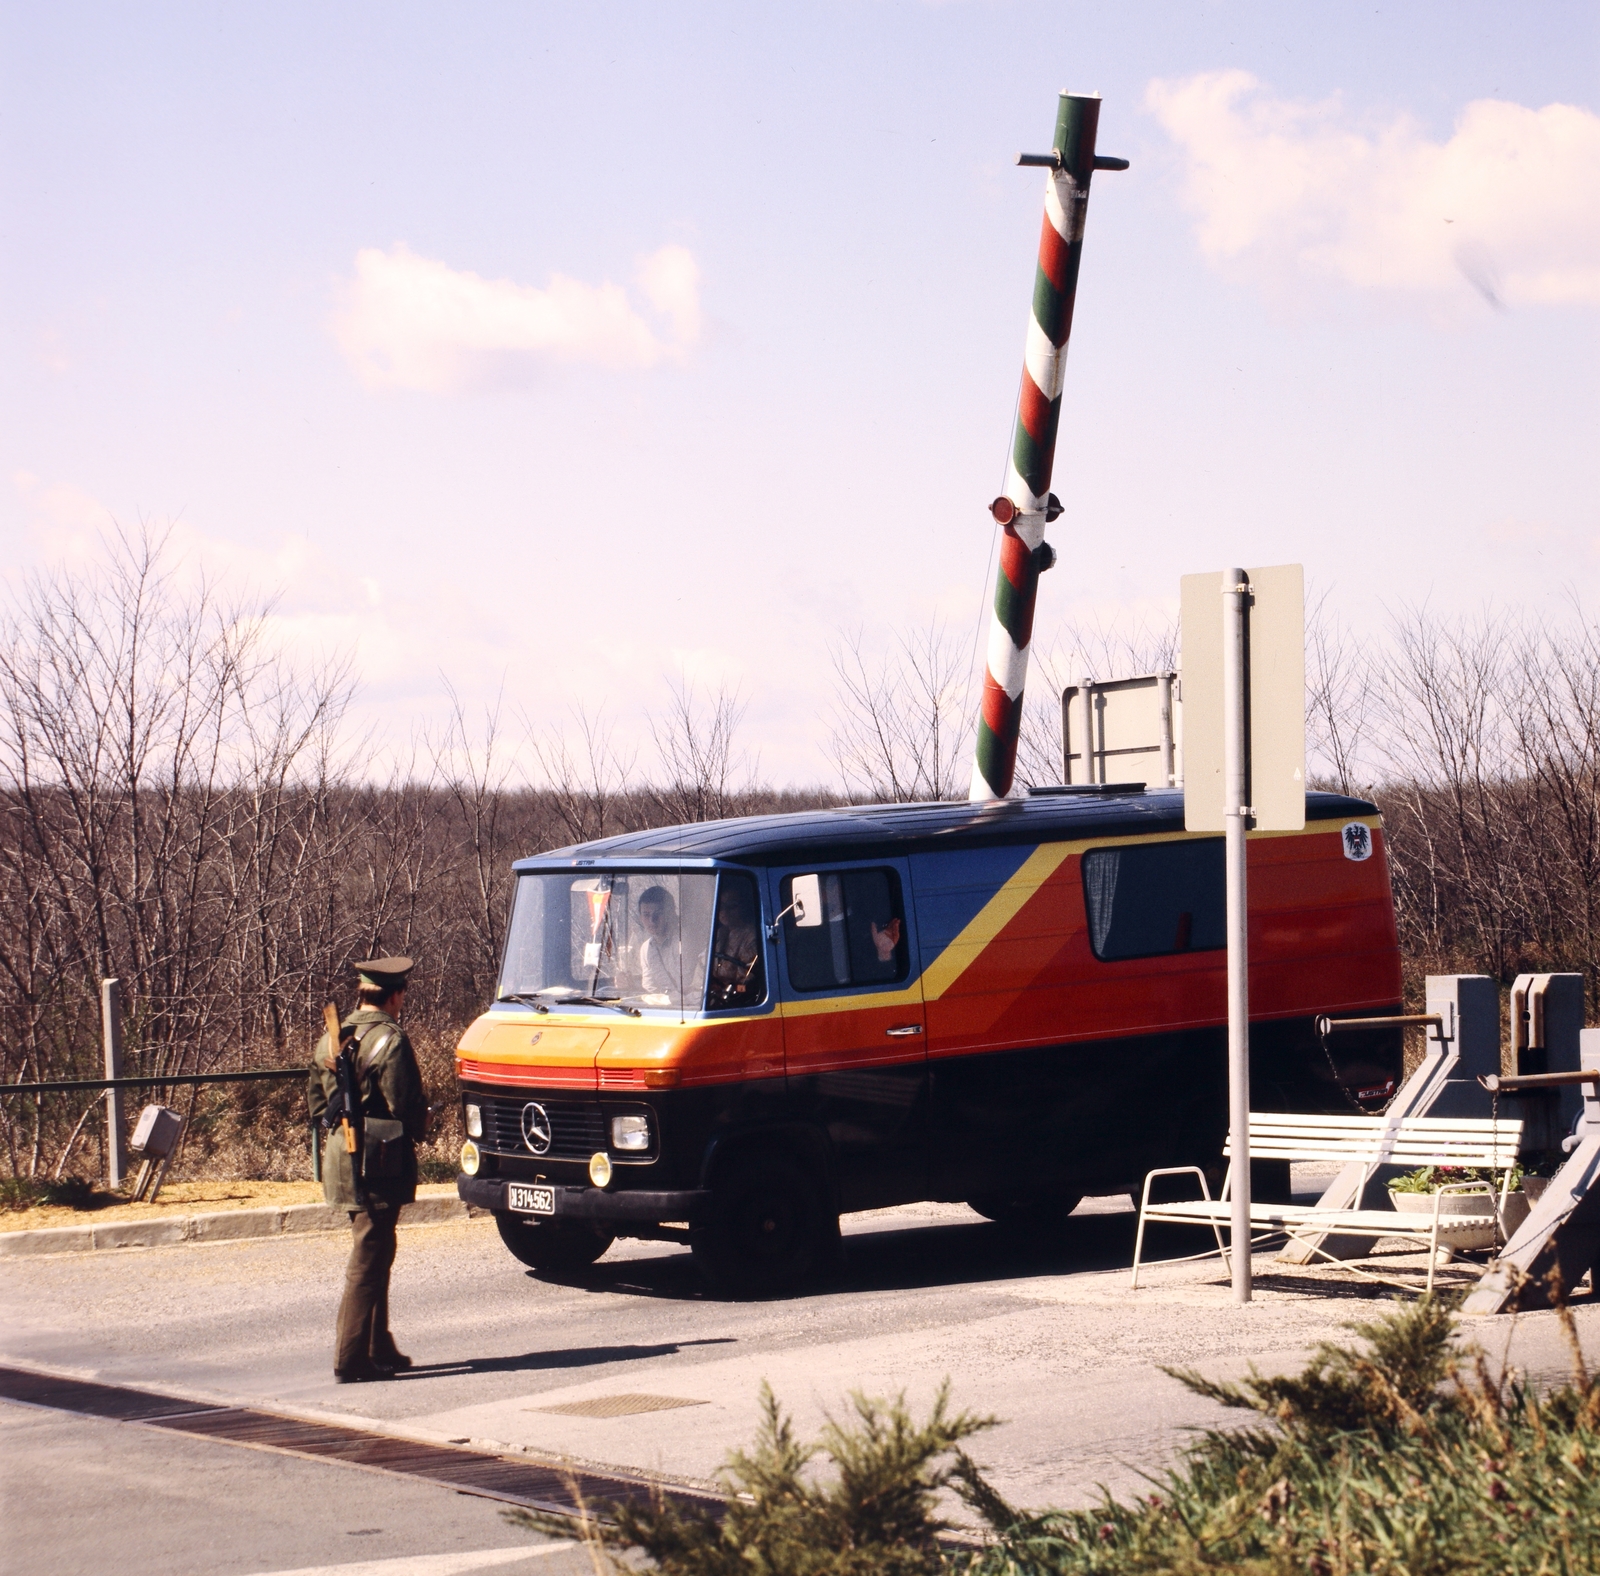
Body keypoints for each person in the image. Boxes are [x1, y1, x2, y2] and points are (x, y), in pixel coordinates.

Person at [306, 956, 429, 1384]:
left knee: (378, 1248)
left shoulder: (332, 1037)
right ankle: (350, 1357)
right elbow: (405, 1104)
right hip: (378, 1158)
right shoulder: (390, 1039)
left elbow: (317, 1106)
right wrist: (419, 1126)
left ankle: (379, 1345)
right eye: (403, 995)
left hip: (341, 1156)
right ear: (395, 996)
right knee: (369, 1254)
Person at [708, 879, 763, 1007]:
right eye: (721, 906)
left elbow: (746, 982)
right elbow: (701, 969)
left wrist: (727, 989)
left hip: (738, 1002)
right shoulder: (717, 934)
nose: (724, 911)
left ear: (744, 907)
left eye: (732, 906)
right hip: (713, 997)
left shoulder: (753, 937)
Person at [635, 885, 682, 999]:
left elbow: (688, 987)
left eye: (658, 913)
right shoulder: (646, 949)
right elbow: (650, 990)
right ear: (640, 917)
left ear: (670, 913)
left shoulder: (683, 942)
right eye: (646, 915)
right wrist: (630, 986)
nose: (652, 920)